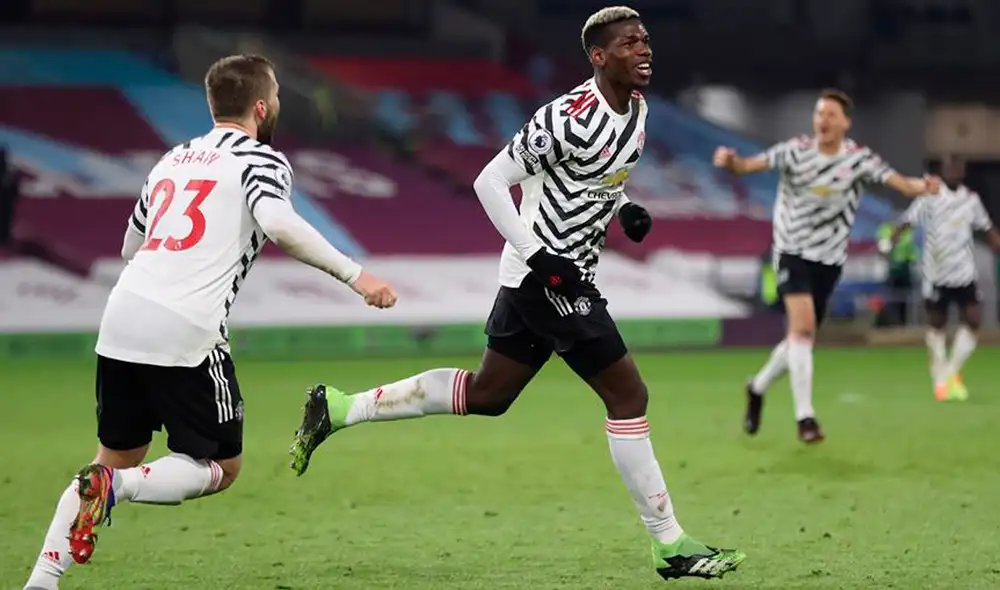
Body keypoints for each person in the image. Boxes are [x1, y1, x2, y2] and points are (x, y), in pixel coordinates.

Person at [288, 6, 745, 582]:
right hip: (547, 279)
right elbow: (490, 180)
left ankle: (339, 407)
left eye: (646, 40)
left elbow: (598, 176)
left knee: (488, 394)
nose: (644, 50)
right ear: (599, 58)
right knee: (628, 396)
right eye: (630, 43)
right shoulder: (566, 117)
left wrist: (625, 209)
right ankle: (670, 544)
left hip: (557, 274)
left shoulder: (638, 111)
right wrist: (541, 257)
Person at [22, 54, 397, 590]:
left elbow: (132, 244)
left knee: (114, 456)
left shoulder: (172, 159)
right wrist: (356, 275)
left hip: (122, 316)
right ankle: (114, 488)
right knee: (220, 466)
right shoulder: (262, 159)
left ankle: (42, 578)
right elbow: (279, 223)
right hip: (186, 328)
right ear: (262, 107)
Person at [712, 88, 941, 443]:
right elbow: (749, 166)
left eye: (832, 115)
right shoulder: (795, 151)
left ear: (846, 122)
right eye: (820, 114)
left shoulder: (858, 160)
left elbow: (900, 183)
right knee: (802, 331)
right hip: (790, 252)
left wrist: (922, 186)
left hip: (829, 261)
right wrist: (732, 163)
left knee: (799, 341)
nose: (824, 120)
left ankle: (757, 387)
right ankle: (806, 418)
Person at [884, 155, 1000, 401]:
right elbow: (907, 221)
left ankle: (949, 373)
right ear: (943, 170)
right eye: (950, 167)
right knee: (937, 326)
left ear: (964, 171)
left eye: (959, 167)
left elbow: (987, 228)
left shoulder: (971, 200)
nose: (954, 171)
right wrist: (892, 237)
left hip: (964, 272)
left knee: (973, 320)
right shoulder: (930, 196)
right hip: (936, 273)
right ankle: (940, 380)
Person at [875, 219, 918, 326]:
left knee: (904, 299)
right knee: (890, 298)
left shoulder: (908, 233)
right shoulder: (886, 230)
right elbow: (884, 252)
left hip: (905, 270)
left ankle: (903, 323)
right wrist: (893, 239)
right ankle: (888, 322)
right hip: (891, 271)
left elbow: (913, 254)